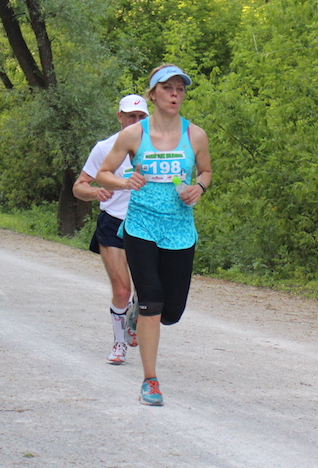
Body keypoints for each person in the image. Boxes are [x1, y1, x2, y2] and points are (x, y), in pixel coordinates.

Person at [96, 64, 212, 406]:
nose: (175, 94)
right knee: (152, 300)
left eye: (180, 89)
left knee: (171, 312)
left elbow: (206, 171)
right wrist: (124, 181)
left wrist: (199, 188)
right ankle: (150, 381)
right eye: (167, 88)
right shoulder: (134, 135)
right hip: (141, 227)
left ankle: (137, 313)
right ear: (153, 94)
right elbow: (103, 174)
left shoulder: (196, 135)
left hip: (179, 230)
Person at [73, 94, 149, 365]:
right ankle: (119, 344)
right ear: (120, 117)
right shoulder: (105, 148)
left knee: (149, 292)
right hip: (114, 223)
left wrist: (185, 190)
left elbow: (175, 178)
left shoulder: (156, 149)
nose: (135, 121)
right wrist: (95, 192)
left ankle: (134, 317)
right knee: (121, 291)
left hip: (147, 224)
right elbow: (79, 186)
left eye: (141, 117)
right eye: (130, 116)